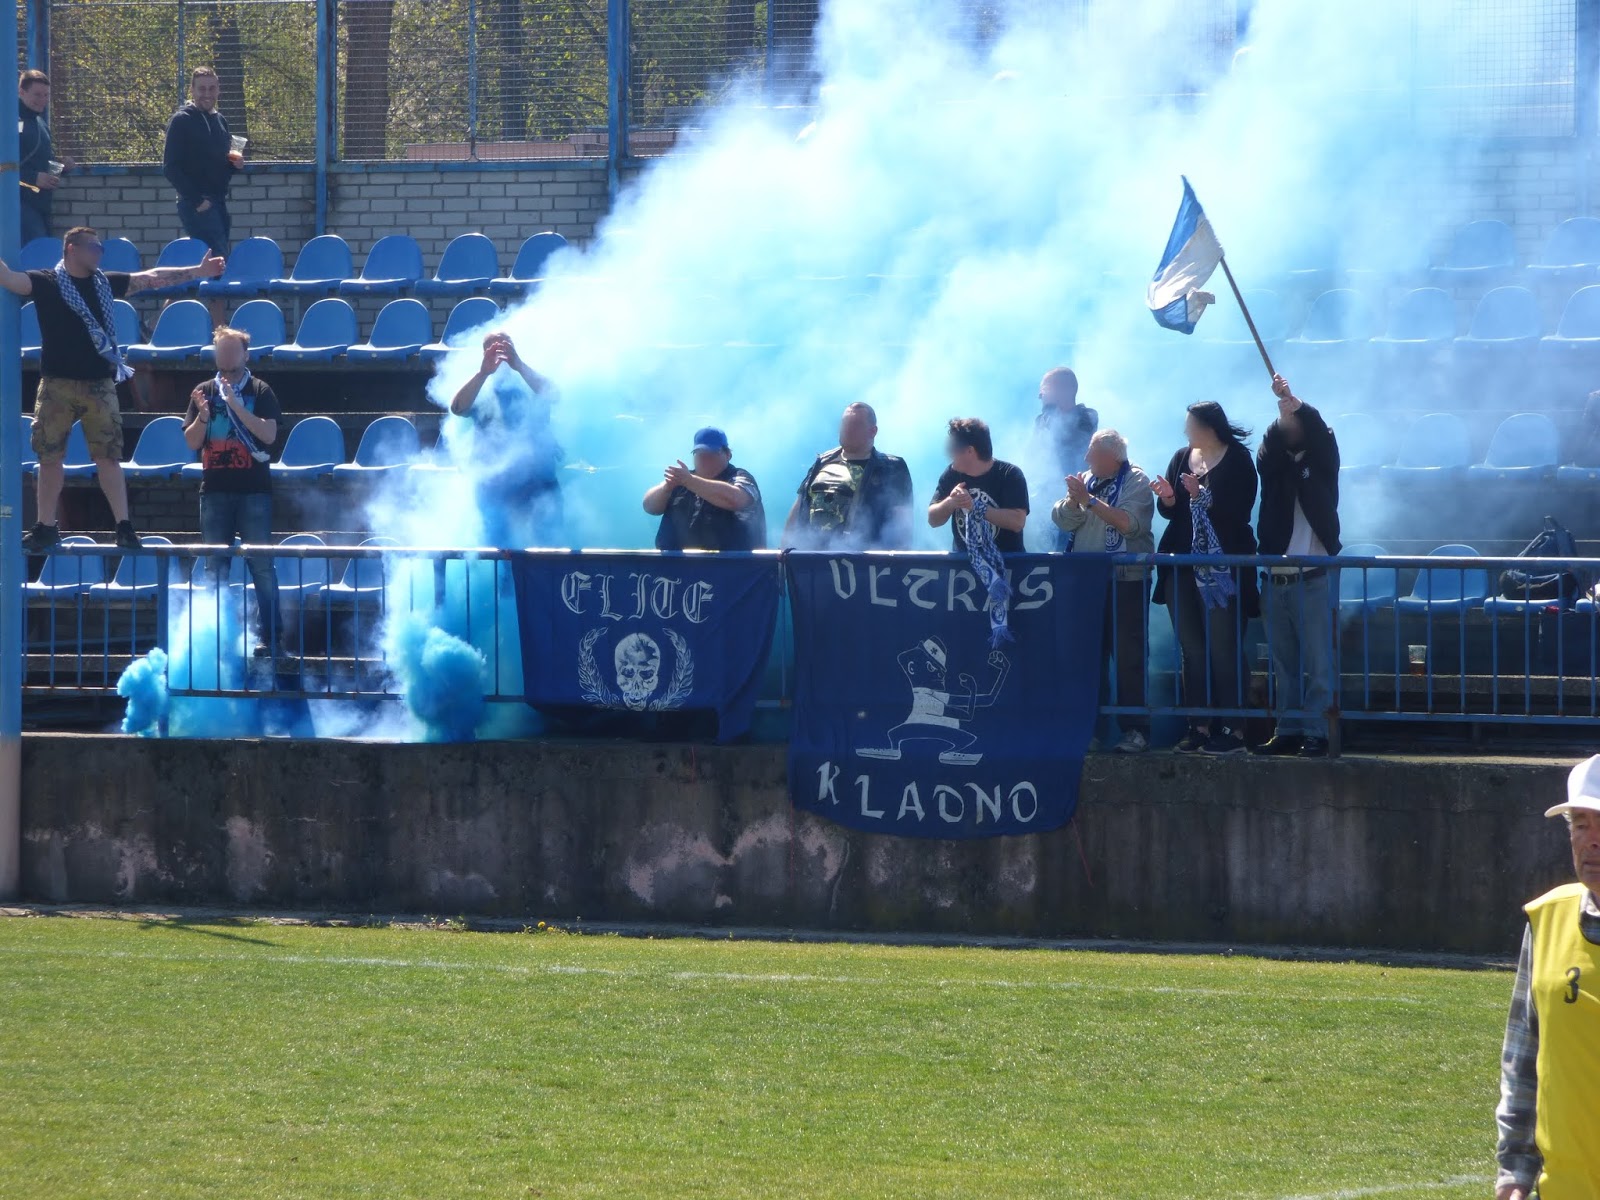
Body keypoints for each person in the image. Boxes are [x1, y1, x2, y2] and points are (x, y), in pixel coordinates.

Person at [0, 226, 226, 552]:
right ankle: (45, 526)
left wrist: (198, 272)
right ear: (72, 249)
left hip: (99, 383)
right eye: (93, 248)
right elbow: (10, 279)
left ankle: (124, 526)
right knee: (49, 457)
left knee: (108, 457)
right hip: (57, 384)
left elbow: (152, 278)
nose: (99, 253)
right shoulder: (47, 281)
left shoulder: (104, 283)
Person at [1495, 755, 1600, 1200]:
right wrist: (1515, 1171)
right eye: (1581, 824)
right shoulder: (1547, 919)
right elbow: (1523, 1058)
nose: (1591, 841)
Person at [1151, 400, 1260, 756]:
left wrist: (1203, 497)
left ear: (1210, 427)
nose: (1186, 431)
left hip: (1222, 568)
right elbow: (1171, 513)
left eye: (1191, 425)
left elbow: (1239, 513)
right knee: (1192, 649)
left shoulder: (1239, 460)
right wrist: (1169, 499)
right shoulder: (1181, 457)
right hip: (1182, 565)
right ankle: (1197, 725)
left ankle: (1234, 728)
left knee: (1224, 646)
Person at [1253, 373, 1340, 759]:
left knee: (1319, 662)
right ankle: (1287, 729)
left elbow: (1322, 436)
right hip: (1275, 580)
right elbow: (1266, 453)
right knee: (1283, 663)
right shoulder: (1275, 467)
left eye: (1294, 423)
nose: (1288, 428)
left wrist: (1298, 404)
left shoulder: (1322, 460)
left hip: (1313, 579)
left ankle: (1317, 732)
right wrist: (1283, 415)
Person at [1052, 429, 1154, 754]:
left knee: (1128, 657)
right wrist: (1074, 501)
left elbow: (1130, 524)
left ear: (1112, 456)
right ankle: (1092, 729)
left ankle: (1135, 730)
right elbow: (1062, 520)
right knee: (1089, 657)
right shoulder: (1086, 480)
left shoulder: (1136, 480)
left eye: (1092, 454)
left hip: (1126, 580)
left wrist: (1090, 501)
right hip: (1088, 582)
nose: (1086, 459)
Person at [182, 325, 282, 657]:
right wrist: (203, 417)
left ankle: (272, 639)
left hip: (254, 492)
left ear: (245, 355)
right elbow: (192, 442)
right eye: (220, 350)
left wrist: (237, 407)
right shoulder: (202, 391)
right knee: (215, 568)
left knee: (261, 567)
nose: (225, 356)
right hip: (214, 493)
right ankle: (217, 642)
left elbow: (269, 435)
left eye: (231, 350)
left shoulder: (261, 390)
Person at [449, 331, 564, 547]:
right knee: (498, 546)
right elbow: (457, 408)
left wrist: (518, 365)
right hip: (495, 482)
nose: (499, 353)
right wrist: (483, 373)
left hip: (538, 479)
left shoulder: (529, 381)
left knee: (550, 543)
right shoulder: (480, 389)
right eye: (492, 348)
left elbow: (554, 394)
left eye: (505, 346)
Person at [784, 402, 914, 550]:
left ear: (873, 431)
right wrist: (783, 553)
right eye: (845, 423)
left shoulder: (890, 467)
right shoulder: (822, 462)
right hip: (812, 556)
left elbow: (902, 522)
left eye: (856, 425)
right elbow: (798, 507)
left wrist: (899, 558)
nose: (848, 429)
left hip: (862, 558)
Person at [162, 66, 243, 255]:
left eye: (212, 88)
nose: (207, 94)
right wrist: (197, 201)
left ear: (218, 90)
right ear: (192, 90)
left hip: (219, 201)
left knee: (216, 257)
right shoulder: (181, 120)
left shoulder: (220, 120)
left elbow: (221, 165)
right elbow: (170, 167)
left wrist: (235, 165)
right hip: (196, 203)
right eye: (202, 89)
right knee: (217, 256)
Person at [644, 428, 766, 552]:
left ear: (728, 454)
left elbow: (736, 499)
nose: (705, 458)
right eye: (699, 453)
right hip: (672, 562)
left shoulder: (740, 477)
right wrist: (665, 488)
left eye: (712, 453)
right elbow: (649, 507)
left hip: (735, 562)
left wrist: (690, 481)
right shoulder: (682, 479)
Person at [929, 417, 1029, 553]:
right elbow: (932, 520)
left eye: (953, 449)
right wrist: (951, 502)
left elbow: (1017, 522)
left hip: (1007, 563)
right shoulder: (952, 474)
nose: (949, 454)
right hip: (963, 564)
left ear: (970, 451)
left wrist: (975, 507)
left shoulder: (1009, 475)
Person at [1026, 366, 1098, 550]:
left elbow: (1069, 441)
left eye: (1045, 389)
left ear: (1063, 390)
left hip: (1073, 502)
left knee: (1064, 552)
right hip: (1044, 501)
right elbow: (1032, 456)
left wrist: (1054, 414)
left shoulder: (1087, 417)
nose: (1040, 396)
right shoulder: (1041, 421)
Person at [18, 70, 68, 244]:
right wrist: (33, 178)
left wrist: (62, 165)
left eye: (46, 95)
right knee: (37, 249)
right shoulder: (9, 121)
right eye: (37, 95)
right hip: (18, 202)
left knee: (43, 249)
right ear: (21, 92)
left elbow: (42, 161)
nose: (43, 100)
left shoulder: (40, 123)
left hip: (41, 203)